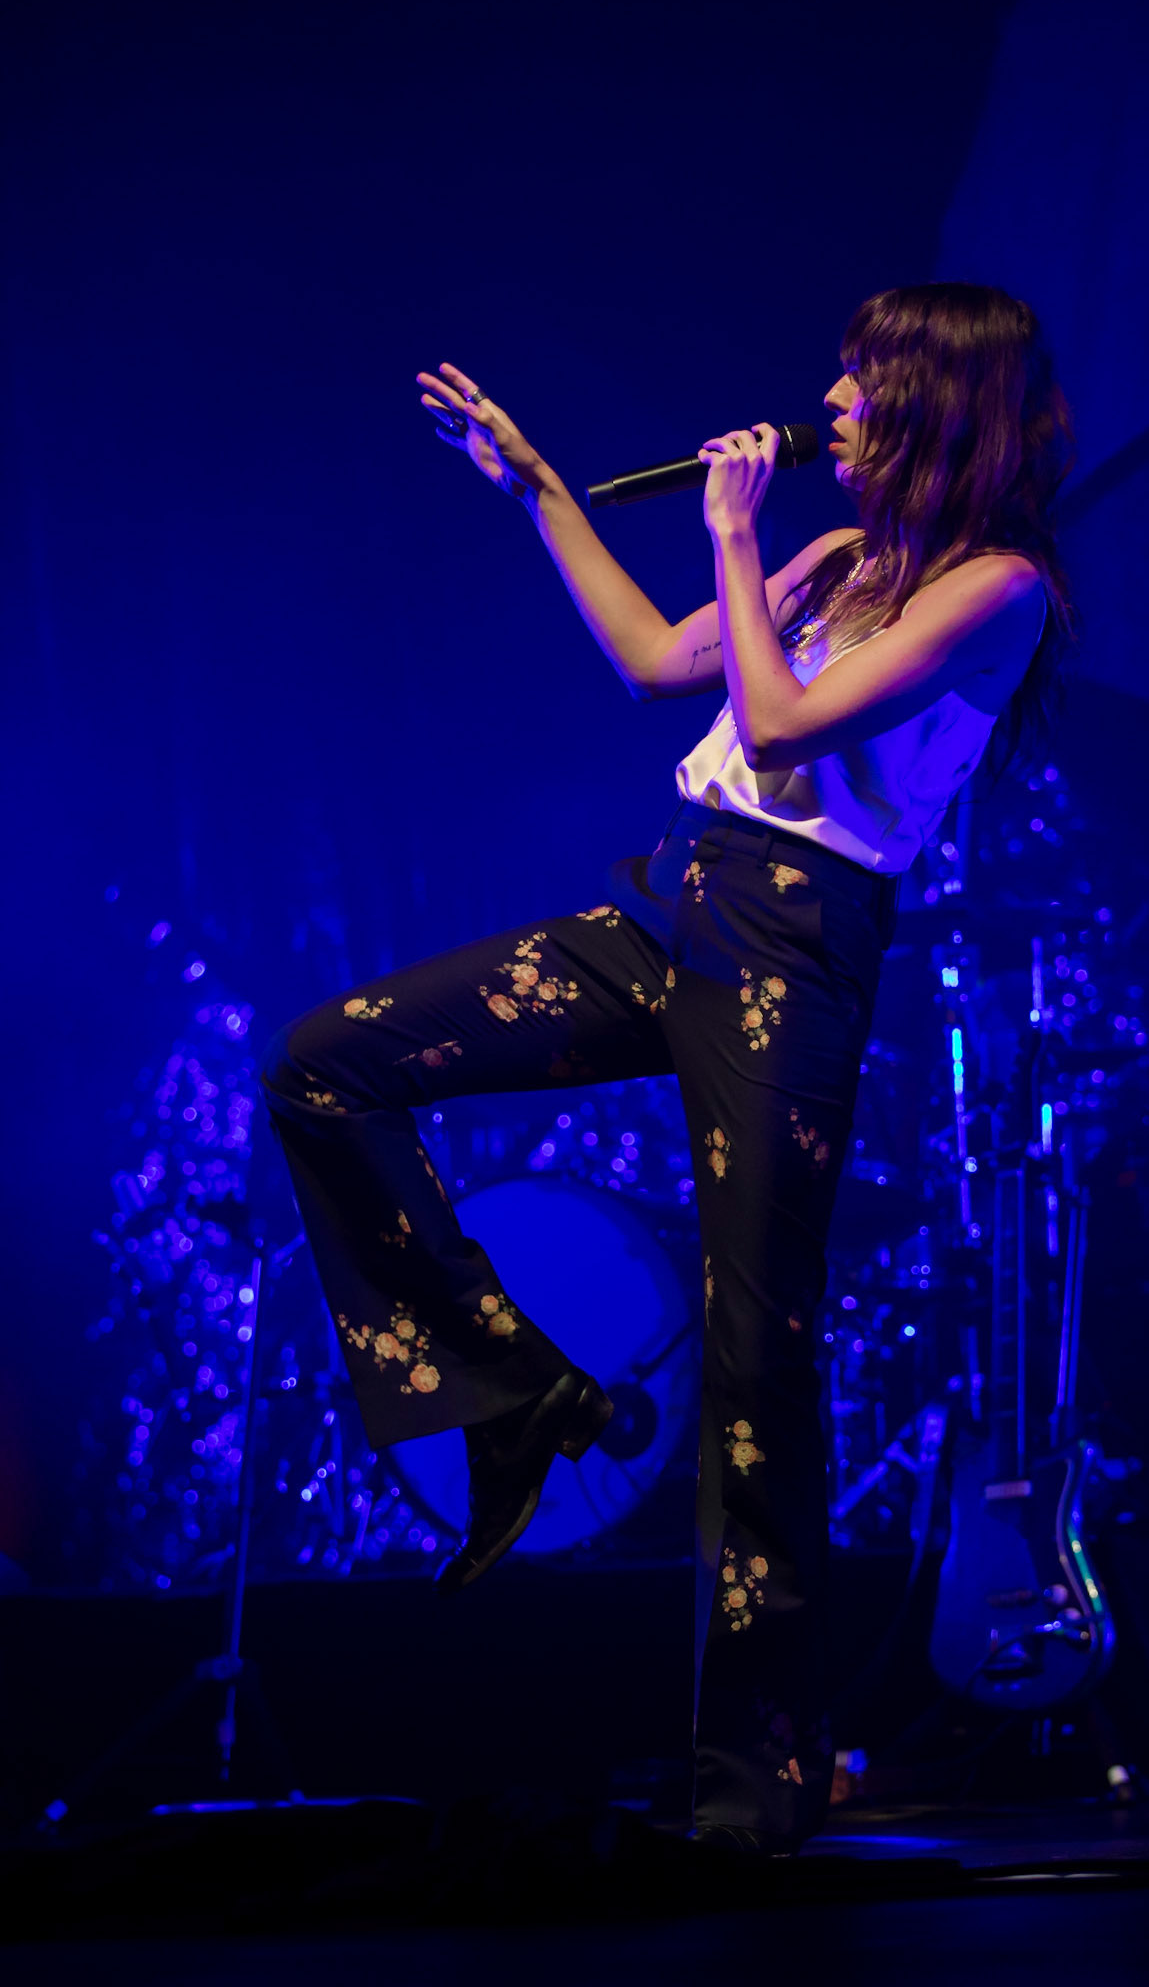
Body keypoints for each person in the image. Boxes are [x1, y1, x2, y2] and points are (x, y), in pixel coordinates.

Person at [262, 282, 1075, 1854]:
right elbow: (657, 669)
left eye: (862, 377)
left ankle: (756, 1776)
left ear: (932, 401)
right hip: (672, 902)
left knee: (756, 1360)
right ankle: (510, 1390)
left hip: (791, 954)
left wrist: (730, 530)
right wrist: (543, 489)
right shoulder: (841, 558)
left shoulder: (997, 588)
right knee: (325, 1066)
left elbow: (777, 726)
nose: (831, 396)